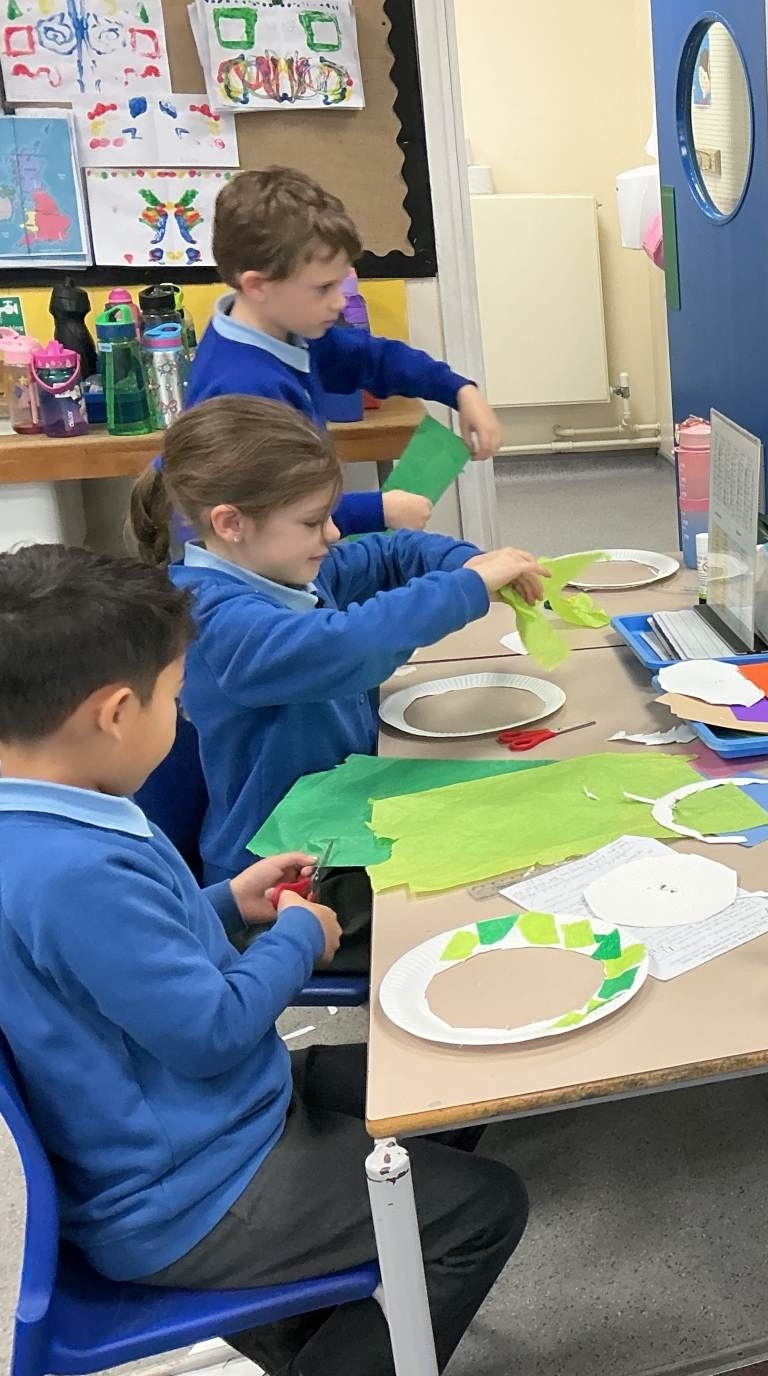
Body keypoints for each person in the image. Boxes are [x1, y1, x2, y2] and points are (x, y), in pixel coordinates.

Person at [0, 543, 527, 1375]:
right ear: (114, 713)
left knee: (447, 1082)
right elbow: (212, 1033)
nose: (184, 714)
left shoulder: (47, 823)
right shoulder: (74, 870)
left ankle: (319, 1307)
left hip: (194, 1121)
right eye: (175, 696)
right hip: (194, 1187)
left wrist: (224, 904)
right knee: (482, 1210)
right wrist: (295, 937)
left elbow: (107, 964)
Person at [128, 397, 545, 887]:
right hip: (275, 871)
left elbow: (392, 552)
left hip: (337, 825)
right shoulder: (211, 616)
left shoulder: (285, 569)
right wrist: (465, 588)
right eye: (312, 522)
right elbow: (344, 646)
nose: (333, 533)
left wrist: (465, 562)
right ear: (231, 523)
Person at [184, 165, 504, 535]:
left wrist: (459, 390)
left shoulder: (287, 330)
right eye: (323, 288)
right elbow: (266, 516)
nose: (339, 302)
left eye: (342, 283)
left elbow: (373, 358)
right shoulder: (241, 388)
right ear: (257, 285)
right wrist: (379, 510)